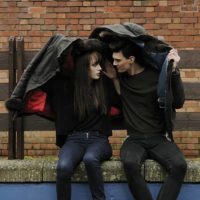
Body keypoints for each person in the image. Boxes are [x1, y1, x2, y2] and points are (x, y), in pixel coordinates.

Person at [5, 38, 121, 200]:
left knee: (90, 159)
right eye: (95, 64)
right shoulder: (66, 87)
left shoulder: (104, 85)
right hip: (74, 140)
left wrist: (115, 78)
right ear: (83, 68)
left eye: (100, 64)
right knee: (64, 167)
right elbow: (44, 72)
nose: (100, 68)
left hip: (99, 140)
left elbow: (122, 101)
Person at [90, 23, 187, 200]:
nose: (114, 63)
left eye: (118, 60)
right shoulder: (120, 77)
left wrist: (174, 71)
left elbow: (179, 102)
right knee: (130, 163)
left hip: (158, 138)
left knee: (180, 166)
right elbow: (102, 47)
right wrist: (105, 34)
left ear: (132, 59)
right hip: (134, 139)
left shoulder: (157, 76)